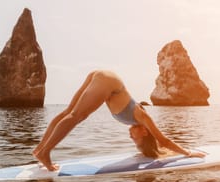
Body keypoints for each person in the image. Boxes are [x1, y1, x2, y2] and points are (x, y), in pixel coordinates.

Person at [33, 70, 205, 170]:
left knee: (69, 112)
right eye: (136, 139)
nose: (131, 138)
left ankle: (40, 150)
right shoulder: (143, 117)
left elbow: (160, 146)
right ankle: (45, 152)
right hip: (108, 82)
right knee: (76, 116)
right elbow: (163, 141)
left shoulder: (137, 121)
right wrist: (188, 153)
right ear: (145, 132)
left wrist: (164, 153)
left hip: (102, 78)